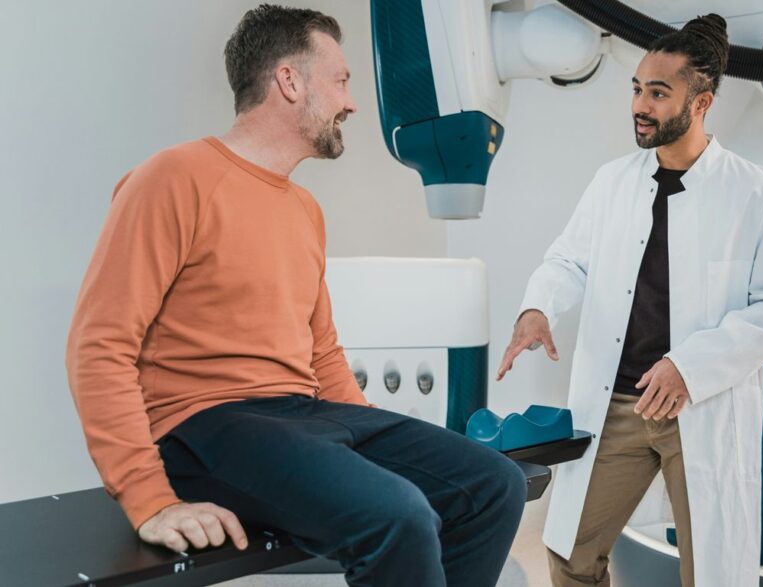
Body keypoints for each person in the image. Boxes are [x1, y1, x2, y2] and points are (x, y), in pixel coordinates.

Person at [65, 5, 525, 586]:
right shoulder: (172, 178)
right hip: (204, 427)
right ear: (289, 80)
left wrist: (376, 442)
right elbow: (98, 346)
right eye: (341, 81)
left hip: (302, 414)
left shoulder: (303, 208)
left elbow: (321, 351)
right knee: (398, 515)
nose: (352, 102)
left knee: (495, 484)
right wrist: (150, 499)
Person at [497, 14, 763, 587]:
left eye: (659, 92)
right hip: (619, 402)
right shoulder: (612, 182)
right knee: (571, 551)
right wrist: (538, 307)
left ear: (702, 102)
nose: (641, 104)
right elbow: (568, 259)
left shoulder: (756, 193)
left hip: (702, 405)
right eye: (637, 89)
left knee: (713, 571)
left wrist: (689, 367)